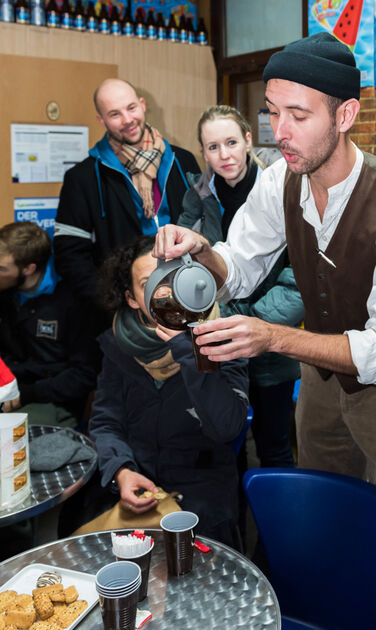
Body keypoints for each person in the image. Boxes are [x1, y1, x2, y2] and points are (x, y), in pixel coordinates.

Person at [153, 33, 376, 630]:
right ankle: (325, 625)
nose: (277, 131)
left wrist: (271, 337)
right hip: (321, 377)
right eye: (272, 112)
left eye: (297, 115)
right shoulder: (280, 178)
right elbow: (244, 260)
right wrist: (199, 261)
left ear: (344, 116)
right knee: (322, 515)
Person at [85, 235, 249, 547]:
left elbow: (225, 426)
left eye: (174, 278)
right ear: (132, 298)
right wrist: (121, 470)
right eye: (149, 282)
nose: (165, 292)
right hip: (138, 478)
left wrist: (188, 350)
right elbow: (106, 422)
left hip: (202, 487)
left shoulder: (227, 339)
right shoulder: (118, 346)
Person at [177, 104, 305, 469]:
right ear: (202, 151)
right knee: (224, 450)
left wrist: (249, 321)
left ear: (248, 140)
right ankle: (228, 528)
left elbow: (298, 280)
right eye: (213, 147)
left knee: (274, 448)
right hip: (218, 341)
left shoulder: (282, 189)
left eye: (231, 142)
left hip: (271, 340)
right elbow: (188, 270)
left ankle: (276, 527)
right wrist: (224, 321)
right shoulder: (197, 198)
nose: (224, 155)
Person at [53, 77, 200, 330]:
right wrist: (114, 304)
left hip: (186, 298)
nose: (128, 120)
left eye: (131, 108)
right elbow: (70, 256)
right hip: (123, 315)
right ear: (101, 120)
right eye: (115, 114)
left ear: (142, 105)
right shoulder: (83, 178)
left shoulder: (183, 161)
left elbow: (205, 229)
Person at [0, 222, 100, 427]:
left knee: (19, 442)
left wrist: (28, 394)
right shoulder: (5, 292)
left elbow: (84, 375)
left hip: (51, 400)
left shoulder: (74, 301)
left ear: (29, 268)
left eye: (1, 268)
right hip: (8, 387)